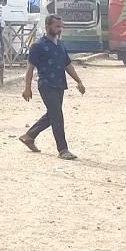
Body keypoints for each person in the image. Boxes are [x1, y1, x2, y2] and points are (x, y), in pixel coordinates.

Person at [20, 14, 87, 160]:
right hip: (46, 85)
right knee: (57, 116)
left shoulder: (60, 45)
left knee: (52, 115)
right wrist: (27, 88)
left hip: (59, 84)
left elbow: (68, 65)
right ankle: (63, 150)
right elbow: (30, 68)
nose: (60, 29)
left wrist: (79, 81)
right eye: (57, 26)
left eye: (61, 27)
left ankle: (29, 136)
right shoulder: (38, 46)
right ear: (48, 26)